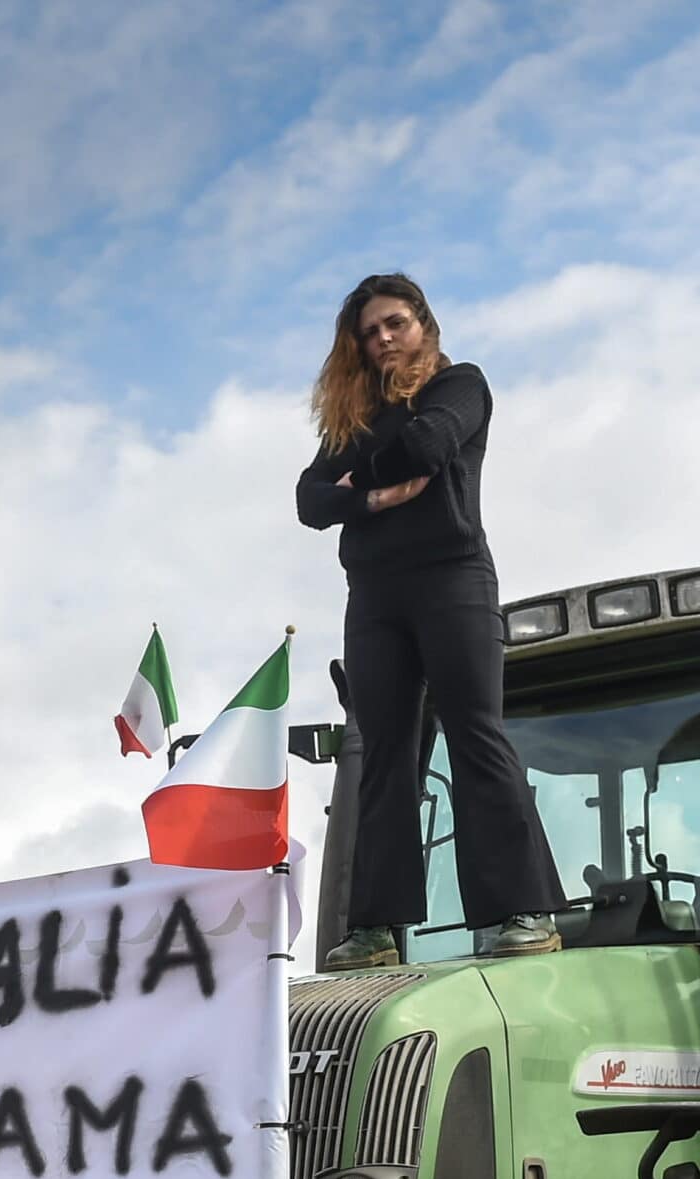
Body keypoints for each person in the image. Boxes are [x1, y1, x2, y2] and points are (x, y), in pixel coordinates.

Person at [296, 273, 562, 969]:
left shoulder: (459, 386)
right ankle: (375, 930)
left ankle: (522, 912)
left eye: (396, 323)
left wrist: (357, 480)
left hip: (453, 579)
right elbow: (307, 499)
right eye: (370, 331)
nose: (383, 338)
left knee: (476, 735)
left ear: (424, 324)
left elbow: (426, 449)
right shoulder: (353, 416)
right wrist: (375, 499)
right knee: (383, 753)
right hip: (375, 595)